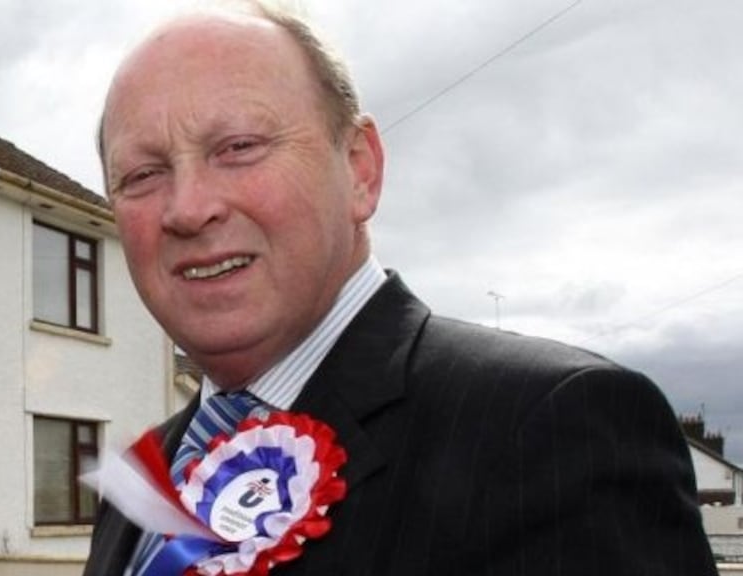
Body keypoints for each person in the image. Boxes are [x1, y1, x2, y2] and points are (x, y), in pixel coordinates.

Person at [84, 2, 717, 575]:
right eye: (142, 174)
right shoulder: (143, 483)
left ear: (360, 168)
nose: (188, 209)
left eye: (240, 147)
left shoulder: (550, 429)